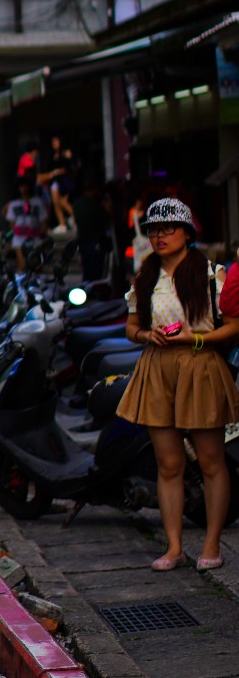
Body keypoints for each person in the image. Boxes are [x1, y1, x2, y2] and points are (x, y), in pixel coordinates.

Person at [118, 197, 239, 572]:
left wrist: (195, 339)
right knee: (168, 464)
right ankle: (173, 548)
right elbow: (130, 326)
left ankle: (211, 545)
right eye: (153, 230)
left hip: (201, 366)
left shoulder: (210, 275)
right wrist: (145, 336)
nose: (160, 236)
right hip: (158, 367)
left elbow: (234, 326)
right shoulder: (145, 276)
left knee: (210, 461)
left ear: (187, 232)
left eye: (169, 228)